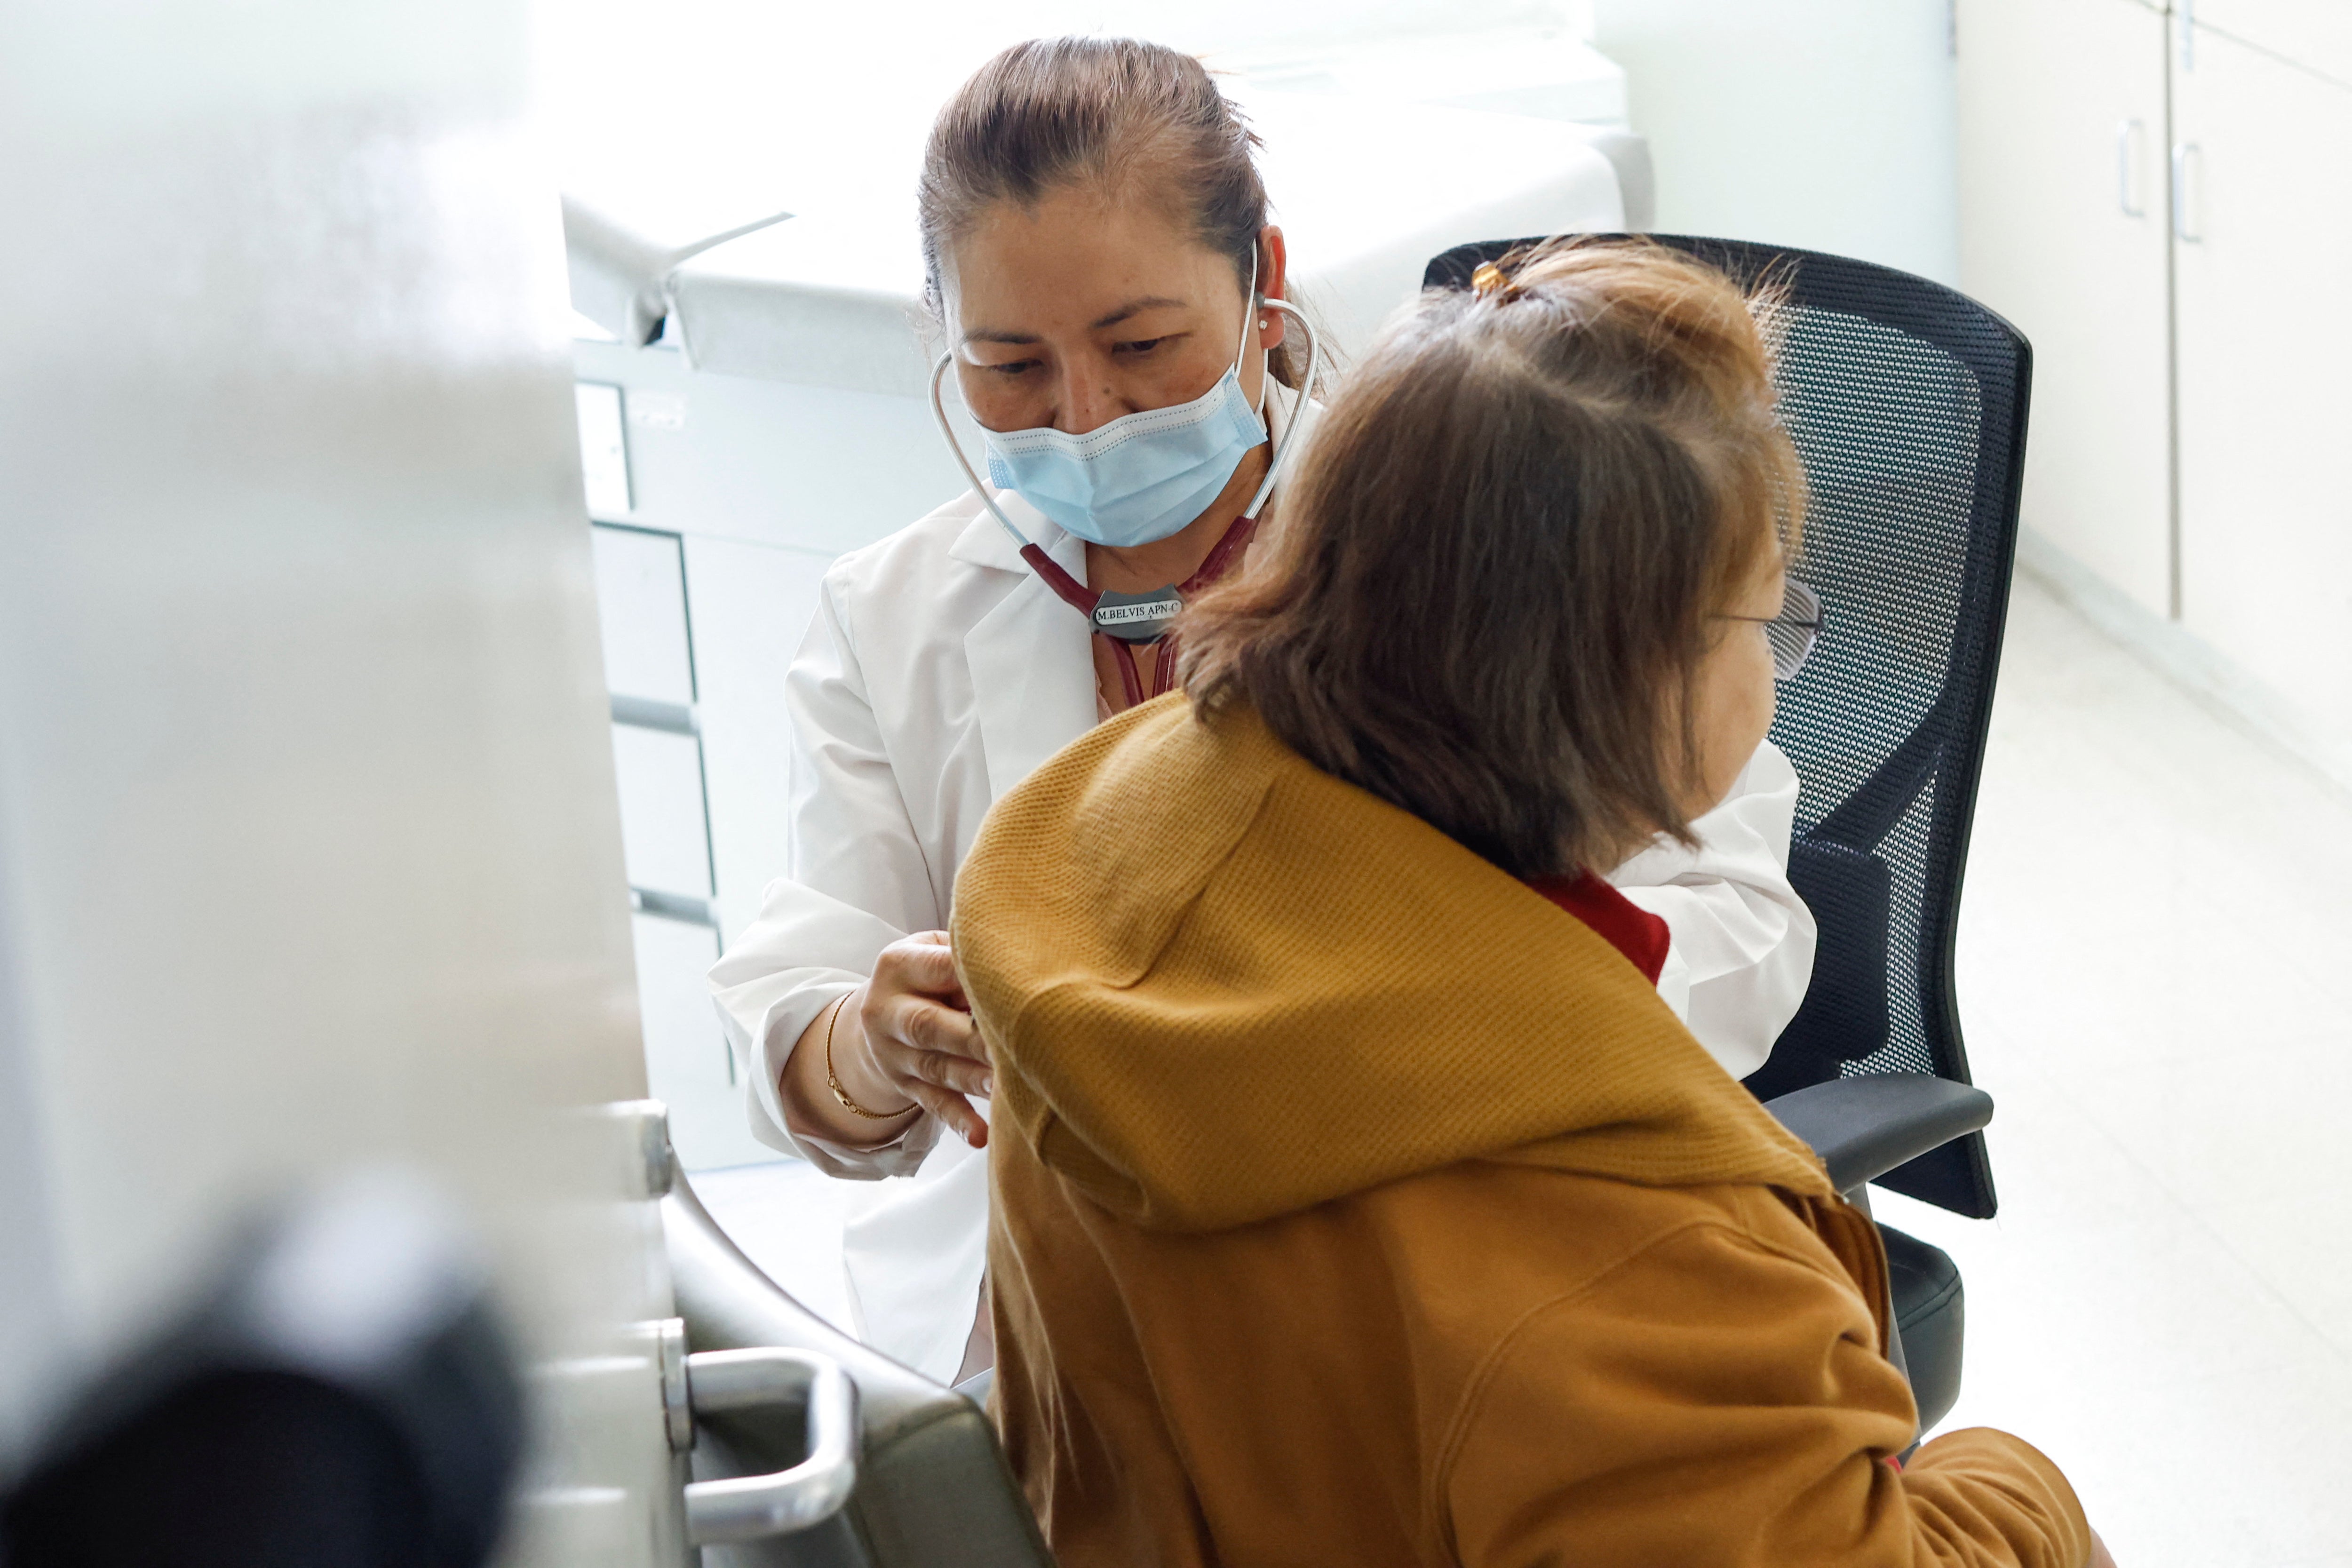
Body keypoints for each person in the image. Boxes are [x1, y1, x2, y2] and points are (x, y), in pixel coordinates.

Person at [949, 239, 2112, 1566]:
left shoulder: (1087, 862)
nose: (1776, 666)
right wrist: (2019, 1489)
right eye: (1767, 618)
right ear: (1637, 678)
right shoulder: (1636, 1256)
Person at [708, 36, 1818, 1385]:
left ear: (1263, 286)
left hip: (1414, 1244)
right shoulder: (889, 614)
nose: (1086, 415)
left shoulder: (1457, 523)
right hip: (1032, 1298)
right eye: (1010, 366)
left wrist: (1395, 1032)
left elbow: (1737, 931)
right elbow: (796, 1012)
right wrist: (872, 1048)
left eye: (1141, 343)